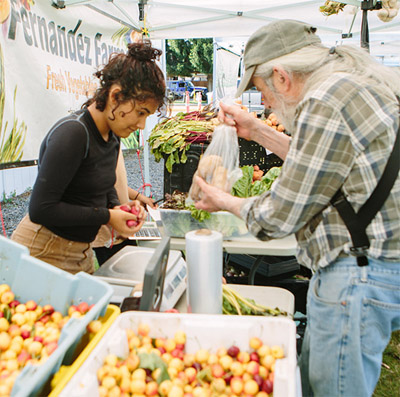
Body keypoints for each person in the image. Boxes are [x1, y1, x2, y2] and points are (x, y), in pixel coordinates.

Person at [193, 20, 400, 397]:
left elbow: (278, 216)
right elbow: (325, 164)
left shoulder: (324, 100)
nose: (266, 103)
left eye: (262, 91)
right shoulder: (347, 84)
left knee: (332, 390)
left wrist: (220, 200)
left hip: (357, 273)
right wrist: (257, 130)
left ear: (282, 77)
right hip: (370, 265)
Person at [11, 40, 168, 275]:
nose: (142, 124)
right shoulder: (73, 133)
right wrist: (108, 215)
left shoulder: (112, 136)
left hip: (80, 253)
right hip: (41, 252)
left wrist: (120, 207)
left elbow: (104, 187)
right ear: (116, 96)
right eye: (140, 112)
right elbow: (41, 209)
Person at [92, 146, 157, 266]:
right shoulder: (94, 144)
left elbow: (114, 184)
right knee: (119, 278)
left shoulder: (113, 140)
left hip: (124, 228)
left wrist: (139, 197)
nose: (140, 126)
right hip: (108, 235)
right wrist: (111, 215)